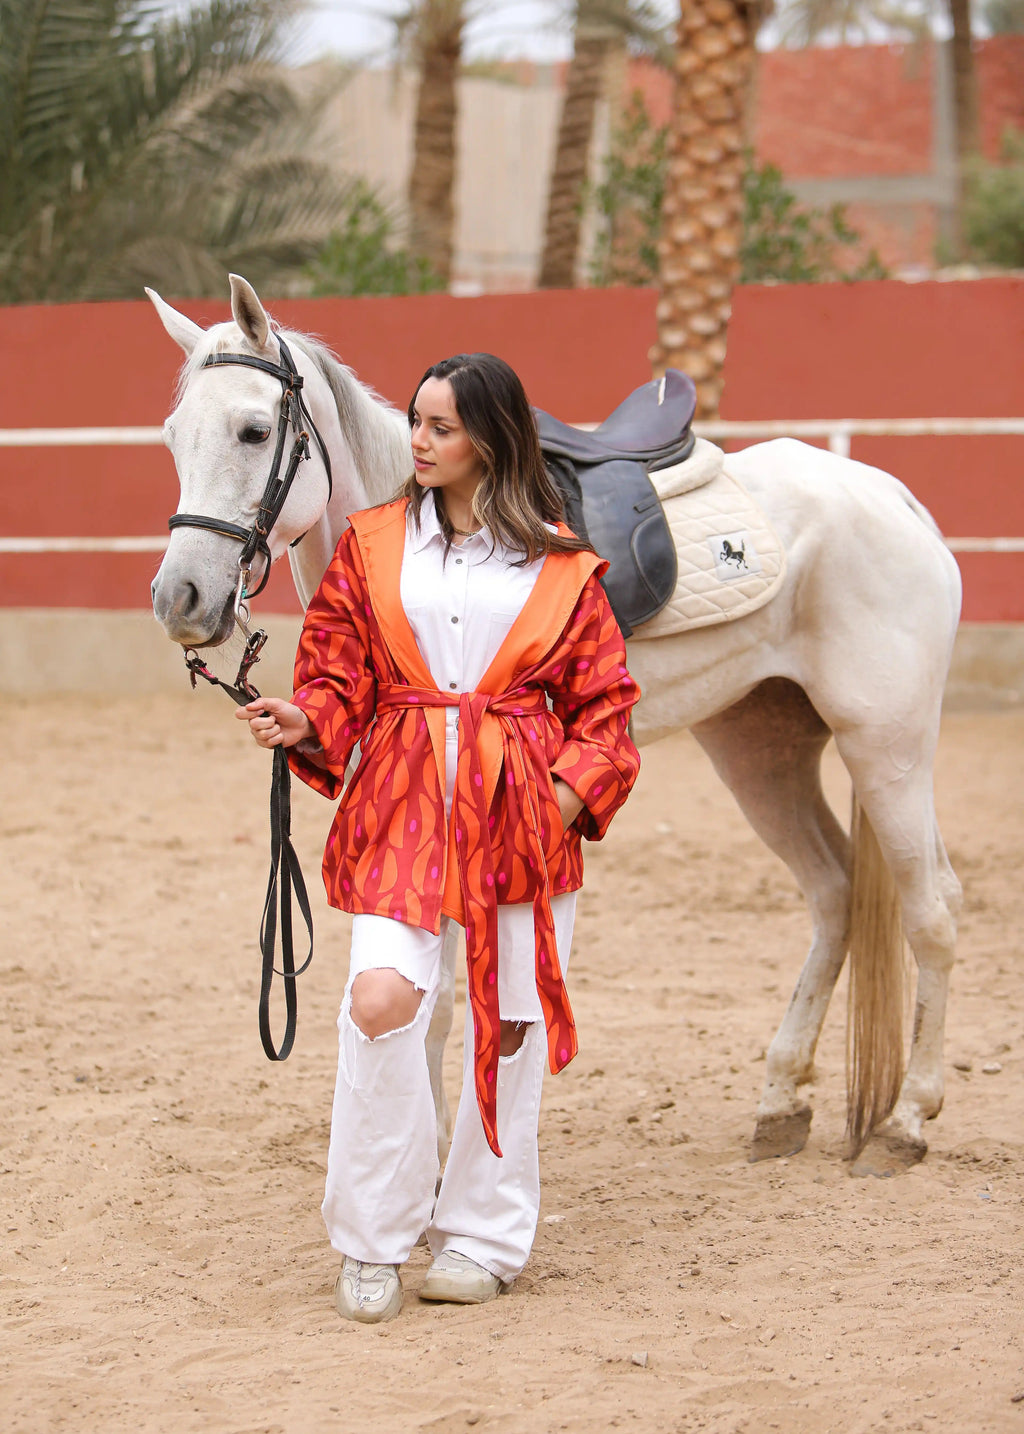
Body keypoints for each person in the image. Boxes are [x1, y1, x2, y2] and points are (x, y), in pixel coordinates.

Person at [236, 352, 640, 1323]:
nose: (417, 441)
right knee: (380, 1001)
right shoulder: (371, 545)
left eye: (440, 427)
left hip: (519, 801)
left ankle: (480, 1236)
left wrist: (562, 803)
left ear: (490, 440)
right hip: (403, 797)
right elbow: (335, 671)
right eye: (415, 421)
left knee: (506, 1028)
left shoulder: (558, 563)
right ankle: (376, 1233)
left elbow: (606, 709)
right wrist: (307, 720)